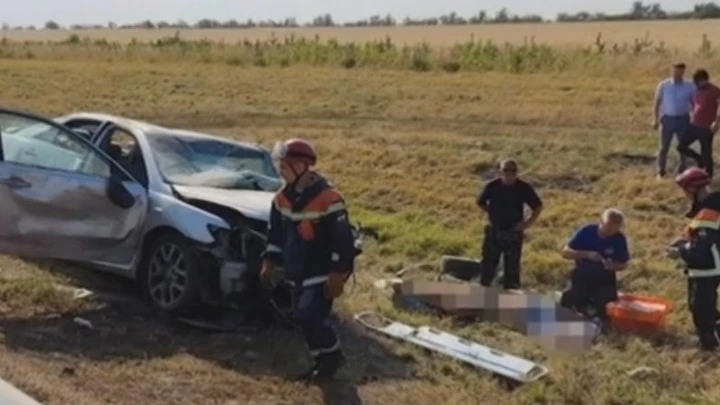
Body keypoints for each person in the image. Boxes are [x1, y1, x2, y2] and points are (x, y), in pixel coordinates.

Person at [259, 138, 357, 381]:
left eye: (285, 166)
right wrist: (269, 262)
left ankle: (332, 354)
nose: (281, 171)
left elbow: (343, 240)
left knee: (308, 316)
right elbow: (275, 236)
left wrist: (339, 274)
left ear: (302, 166)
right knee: (301, 320)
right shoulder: (281, 199)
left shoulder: (329, 198)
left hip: (321, 271)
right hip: (297, 270)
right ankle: (323, 362)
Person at [667, 167, 720, 351]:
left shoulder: (708, 211)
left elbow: (701, 248)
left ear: (693, 189)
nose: (685, 195)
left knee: (702, 309)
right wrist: (685, 240)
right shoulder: (710, 207)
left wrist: (679, 251)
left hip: (707, 267)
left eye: (685, 190)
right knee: (702, 307)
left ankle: (710, 346)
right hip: (706, 266)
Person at [476, 159, 543, 290]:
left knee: (512, 267)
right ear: (500, 171)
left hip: (513, 231)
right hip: (494, 229)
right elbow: (480, 202)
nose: (509, 174)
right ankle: (483, 292)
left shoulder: (523, 188)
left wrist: (527, 223)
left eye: (513, 171)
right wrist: (492, 213)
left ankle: (511, 297)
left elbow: (538, 206)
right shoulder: (492, 186)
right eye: (506, 170)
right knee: (488, 263)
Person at [559, 209, 631, 326]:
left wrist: (613, 266)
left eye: (614, 230)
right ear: (601, 222)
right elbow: (565, 252)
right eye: (608, 228)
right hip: (582, 274)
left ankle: (598, 323)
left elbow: (624, 264)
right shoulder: (587, 231)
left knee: (604, 306)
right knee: (570, 300)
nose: (610, 232)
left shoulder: (619, 239)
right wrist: (586, 254)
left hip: (604, 279)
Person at [653, 62, 696, 179]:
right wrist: (655, 119)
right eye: (676, 70)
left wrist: (695, 117)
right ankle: (661, 171)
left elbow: (694, 103)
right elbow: (657, 102)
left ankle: (683, 171)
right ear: (672, 70)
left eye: (681, 71)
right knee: (664, 146)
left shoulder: (690, 86)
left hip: (683, 118)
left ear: (684, 71)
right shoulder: (664, 85)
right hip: (667, 119)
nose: (678, 73)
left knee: (683, 146)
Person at [677, 69, 720, 178]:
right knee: (681, 146)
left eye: (698, 81)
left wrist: (716, 122)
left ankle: (708, 176)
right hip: (694, 125)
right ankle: (698, 159)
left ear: (704, 80)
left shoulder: (715, 91)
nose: (696, 84)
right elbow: (693, 102)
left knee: (706, 153)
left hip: (707, 127)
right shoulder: (696, 90)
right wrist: (693, 112)